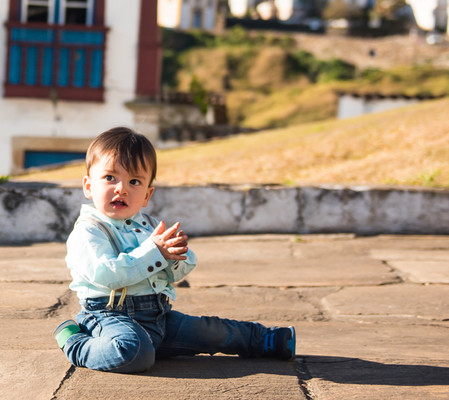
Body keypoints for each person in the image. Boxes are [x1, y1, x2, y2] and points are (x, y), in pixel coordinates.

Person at [54, 126, 295, 373]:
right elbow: (105, 275)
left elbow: (174, 274)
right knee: (132, 352)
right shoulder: (89, 231)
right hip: (108, 317)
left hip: (158, 316)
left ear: (147, 195)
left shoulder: (149, 226)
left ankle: (266, 339)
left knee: (210, 331)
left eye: (134, 181)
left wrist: (174, 256)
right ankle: (75, 342)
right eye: (110, 178)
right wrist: (154, 253)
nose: (122, 188)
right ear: (88, 186)